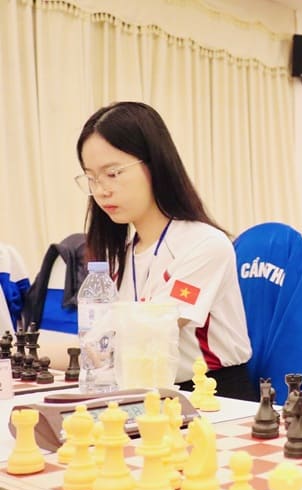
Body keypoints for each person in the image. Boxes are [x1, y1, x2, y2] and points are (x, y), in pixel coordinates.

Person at [75, 101, 254, 400]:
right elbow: (97, 343)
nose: (101, 189)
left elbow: (150, 332)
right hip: (142, 393)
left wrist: (86, 345)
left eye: (113, 173)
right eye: (91, 178)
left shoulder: (205, 245)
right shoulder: (126, 253)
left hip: (212, 396)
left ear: (154, 164)